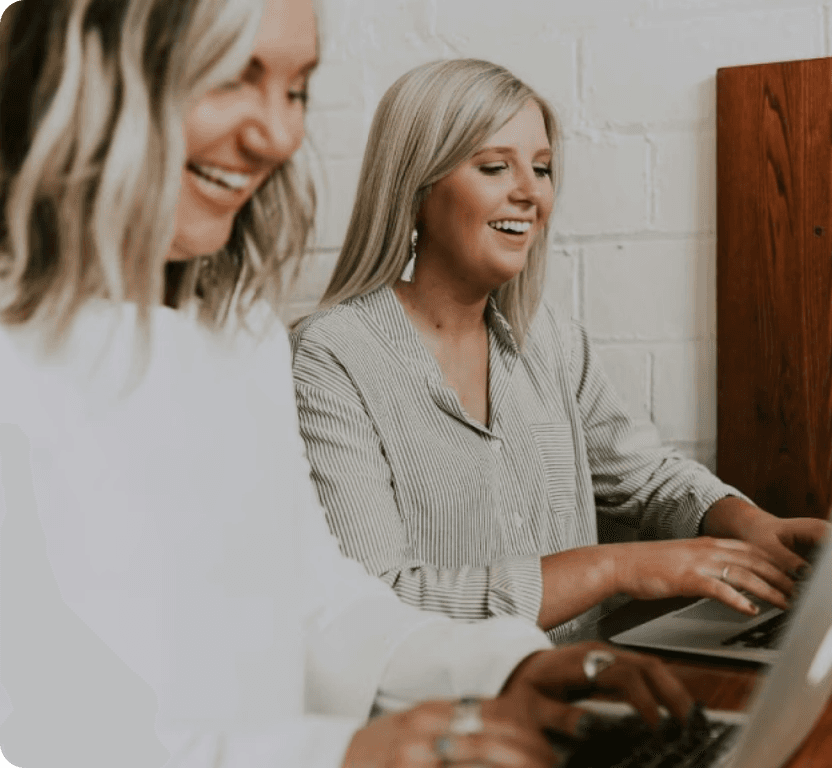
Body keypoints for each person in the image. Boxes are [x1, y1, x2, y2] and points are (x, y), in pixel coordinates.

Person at [0, 3, 694, 767]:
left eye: (295, 90)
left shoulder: (238, 336)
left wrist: (507, 665)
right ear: (90, 70)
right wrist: (348, 755)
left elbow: (324, 601)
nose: (275, 135)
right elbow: (54, 730)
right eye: (233, 77)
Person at [290, 59, 831, 639]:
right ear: (417, 188)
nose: (530, 193)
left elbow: (644, 479)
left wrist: (750, 524)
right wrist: (614, 568)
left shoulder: (548, 341)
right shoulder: (330, 357)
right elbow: (382, 605)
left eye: (542, 169)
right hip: (453, 718)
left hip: (584, 689)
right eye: (496, 167)